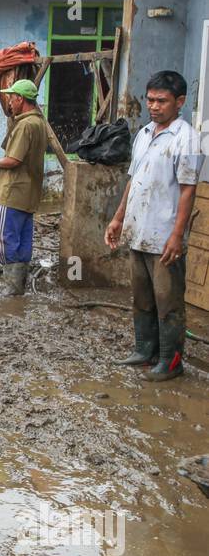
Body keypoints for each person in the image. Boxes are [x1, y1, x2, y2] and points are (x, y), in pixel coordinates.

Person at [104, 70, 202, 381]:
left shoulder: (187, 138)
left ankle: (171, 361)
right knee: (142, 297)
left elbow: (188, 189)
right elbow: (133, 179)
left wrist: (177, 235)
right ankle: (145, 350)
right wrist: (119, 217)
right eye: (150, 100)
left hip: (164, 237)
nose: (154, 106)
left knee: (167, 302)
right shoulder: (144, 133)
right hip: (138, 231)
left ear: (180, 102)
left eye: (162, 101)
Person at [0, 80, 48, 295]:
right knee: (23, 239)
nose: (10, 102)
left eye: (11, 98)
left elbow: (13, 159)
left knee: (3, 239)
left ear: (20, 99)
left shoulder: (24, 125)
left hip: (12, 191)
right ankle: (19, 287)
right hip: (29, 192)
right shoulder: (39, 122)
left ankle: (12, 287)